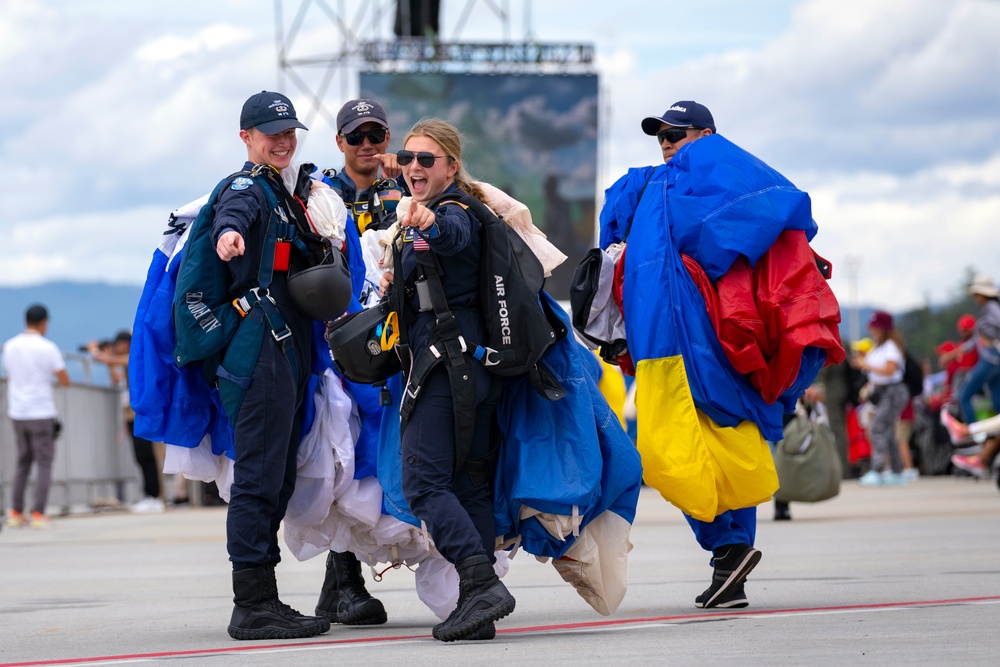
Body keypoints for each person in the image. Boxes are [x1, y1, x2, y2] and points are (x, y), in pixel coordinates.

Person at [379, 118, 516, 642]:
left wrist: (425, 222)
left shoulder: (454, 212)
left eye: (427, 159)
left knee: (423, 482)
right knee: (468, 485)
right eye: (408, 157)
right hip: (474, 371)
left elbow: (450, 234)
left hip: (446, 372)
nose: (414, 166)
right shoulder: (463, 208)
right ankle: (473, 604)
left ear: (451, 167)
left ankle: (480, 585)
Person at [212, 90, 329, 640]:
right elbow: (231, 216)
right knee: (259, 476)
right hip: (258, 347)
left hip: (284, 347)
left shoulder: (282, 192)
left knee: (278, 473)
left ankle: (266, 598)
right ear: (246, 138)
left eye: (289, 132)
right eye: (270, 132)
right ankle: (252, 604)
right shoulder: (246, 189)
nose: (282, 141)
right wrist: (228, 235)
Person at [311, 98, 402, 627]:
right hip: (337, 343)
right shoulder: (319, 191)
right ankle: (344, 584)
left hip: (394, 338)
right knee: (341, 455)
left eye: (376, 135)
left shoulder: (408, 182)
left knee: (377, 454)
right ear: (340, 142)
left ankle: (338, 588)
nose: (368, 146)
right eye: (357, 136)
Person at [2, 304, 71, 528]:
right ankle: (38, 513)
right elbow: (64, 379)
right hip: (41, 411)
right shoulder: (47, 347)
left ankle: (15, 512)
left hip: (17, 412)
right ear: (44, 322)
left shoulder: (9, 346)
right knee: (44, 463)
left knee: (22, 462)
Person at [88, 331, 164, 513]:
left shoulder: (135, 356)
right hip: (131, 415)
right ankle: (149, 496)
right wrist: (109, 360)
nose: (117, 347)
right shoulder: (124, 360)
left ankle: (155, 497)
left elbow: (108, 360)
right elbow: (116, 378)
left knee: (147, 456)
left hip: (142, 414)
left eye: (120, 344)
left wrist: (95, 351)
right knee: (140, 457)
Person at [851, 311, 910, 486]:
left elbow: (890, 370)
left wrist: (865, 364)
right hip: (882, 391)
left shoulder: (891, 346)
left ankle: (878, 469)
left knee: (877, 427)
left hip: (892, 391)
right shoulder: (880, 346)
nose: (872, 330)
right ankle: (897, 471)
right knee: (888, 430)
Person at [942, 276, 1000, 425]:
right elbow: (974, 341)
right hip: (994, 359)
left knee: (963, 395)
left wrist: (992, 339)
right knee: (996, 400)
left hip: (990, 358)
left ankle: (973, 433)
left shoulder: (991, 308)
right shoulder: (989, 308)